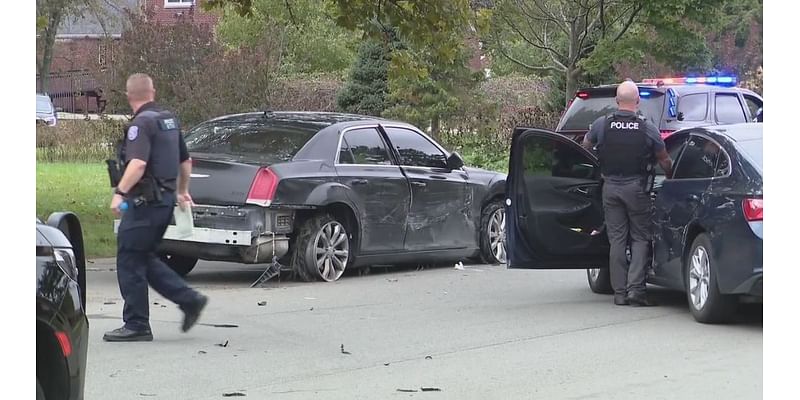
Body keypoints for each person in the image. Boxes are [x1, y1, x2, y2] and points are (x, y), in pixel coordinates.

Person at [104, 73, 208, 342]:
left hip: (144, 204)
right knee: (143, 258)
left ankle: (137, 324)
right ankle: (189, 300)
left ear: (129, 96)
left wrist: (120, 193)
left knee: (129, 258)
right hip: (162, 203)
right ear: (153, 91)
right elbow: (186, 162)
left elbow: (137, 165)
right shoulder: (169, 121)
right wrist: (182, 191)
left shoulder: (141, 124)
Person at [582, 80, 673, 307]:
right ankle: (636, 291)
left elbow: (585, 146)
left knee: (617, 241)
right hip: (637, 189)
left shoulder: (602, 125)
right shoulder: (646, 127)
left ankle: (619, 293)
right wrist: (673, 175)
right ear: (638, 101)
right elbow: (664, 158)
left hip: (610, 187)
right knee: (640, 238)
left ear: (616, 101)